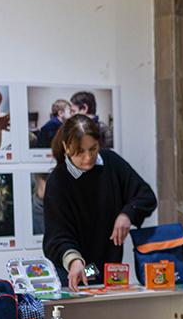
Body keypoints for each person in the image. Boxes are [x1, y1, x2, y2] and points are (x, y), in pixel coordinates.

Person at [43, 114, 156, 290]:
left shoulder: (111, 162)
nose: (88, 157)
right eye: (80, 152)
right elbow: (56, 237)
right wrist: (74, 260)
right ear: (66, 147)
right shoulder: (58, 181)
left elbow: (146, 196)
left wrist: (127, 213)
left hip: (108, 271)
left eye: (93, 149)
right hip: (73, 273)